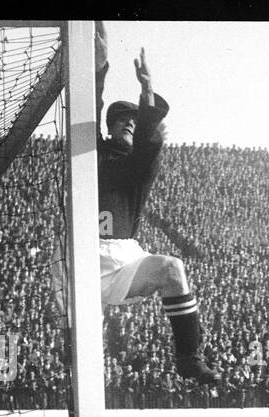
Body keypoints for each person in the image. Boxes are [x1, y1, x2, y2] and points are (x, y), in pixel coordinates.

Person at [92, 23, 217, 385]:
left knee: (172, 269)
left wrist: (147, 89)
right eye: (120, 119)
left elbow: (150, 141)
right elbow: (89, 106)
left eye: (133, 119)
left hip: (121, 255)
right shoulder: (90, 153)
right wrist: (100, 68)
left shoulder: (138, 167)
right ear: (109, 126)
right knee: (80, 340)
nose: (128, 123)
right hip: (79, 256)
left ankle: (189, 357)